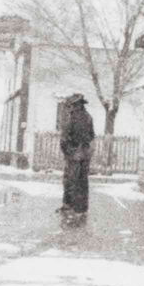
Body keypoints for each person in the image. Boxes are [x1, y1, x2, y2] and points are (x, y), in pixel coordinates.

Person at [59, 94, 96, 222]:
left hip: (73, 154)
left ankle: (69, 206)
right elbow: (92, 136)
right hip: (85, 154)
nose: (72, 107)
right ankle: (81, 208)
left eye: (73, 105)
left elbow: (64, 138)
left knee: (70, 180)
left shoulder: (71, 118)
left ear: (76, 105)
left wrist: (67, 152)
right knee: (82, 181)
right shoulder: (88, 117)